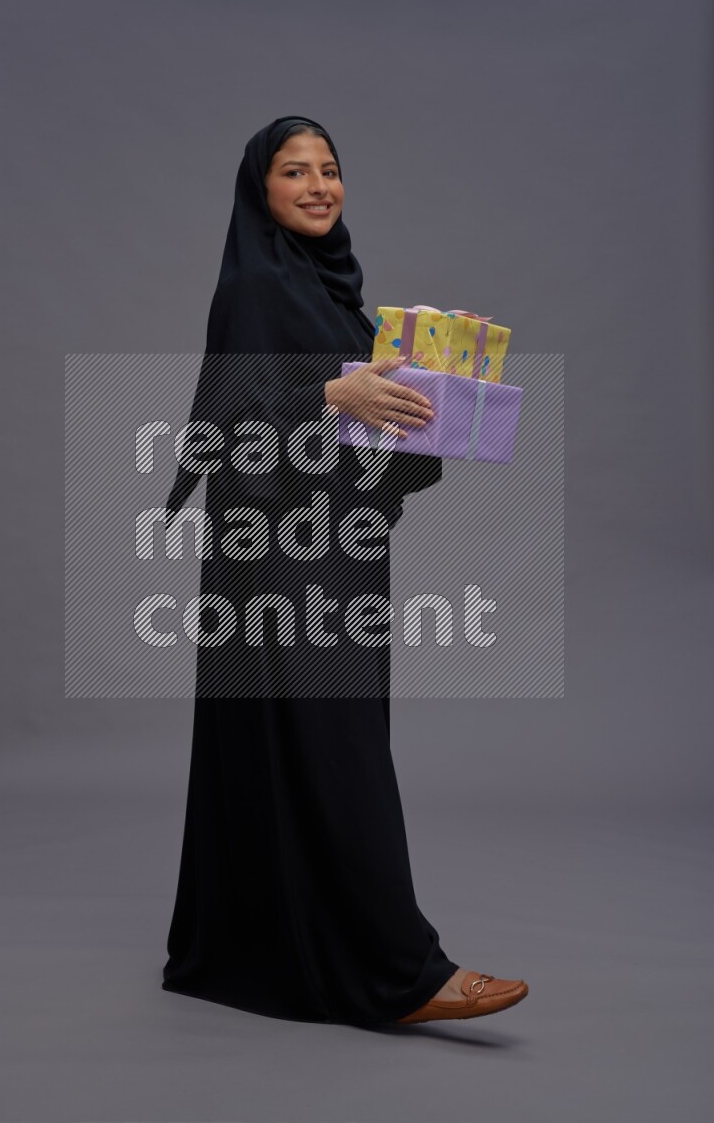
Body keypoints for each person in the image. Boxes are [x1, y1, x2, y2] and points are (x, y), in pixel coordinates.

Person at [161, 115, 528, 1027]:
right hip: (276, 561)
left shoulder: (332, 292)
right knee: (336, 749)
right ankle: (402, 971)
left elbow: (363, 432)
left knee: (314, 742)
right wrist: (334, 390)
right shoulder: (254, 285)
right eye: (295, 171)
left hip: (335, 546)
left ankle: (264, 951)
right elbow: (223, 427)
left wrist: (439, 393)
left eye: (329, 169)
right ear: (261, 189)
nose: (319, 185)